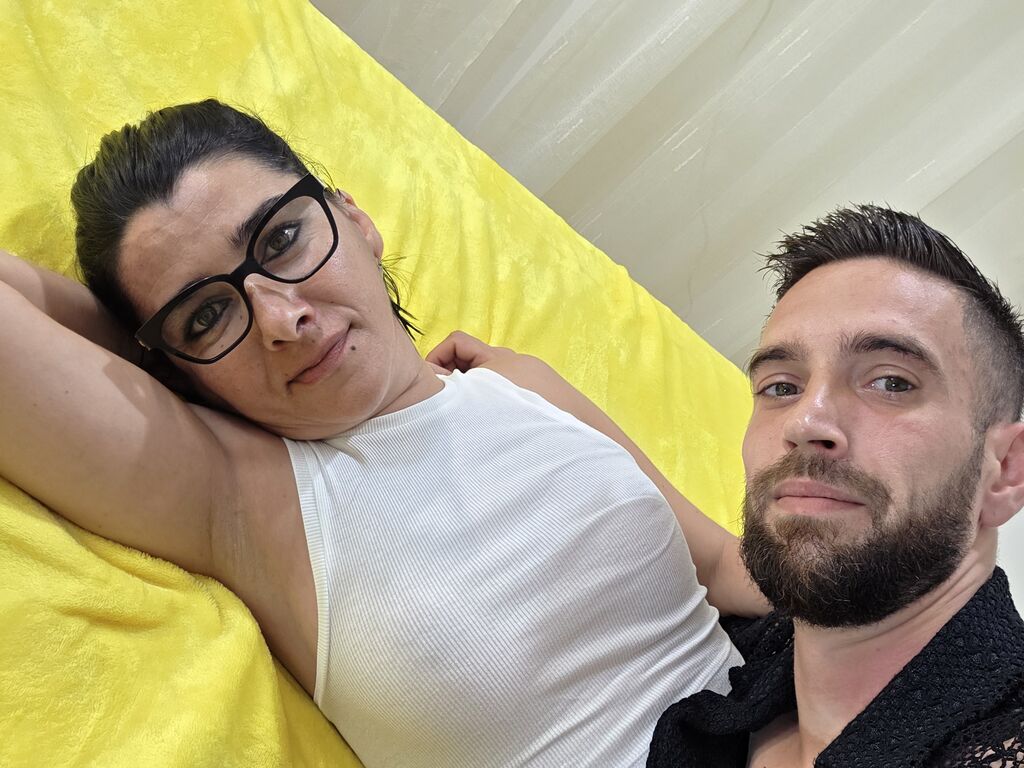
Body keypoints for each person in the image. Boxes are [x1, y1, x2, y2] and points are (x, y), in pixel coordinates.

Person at [0, 99, 766, 768]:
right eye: (207, 316)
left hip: (784, 696)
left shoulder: (517, 384)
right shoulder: (243, 503)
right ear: (177, 371)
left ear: (355, 218)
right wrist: (153, 352)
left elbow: (722, 565)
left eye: (281, 238)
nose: (281, 319)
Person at [643, 206, 1024, 767]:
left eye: (891, 382)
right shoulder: (770, 638)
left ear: (1006, 469)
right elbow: (718, 558)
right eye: (781, 387)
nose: (805, 421)